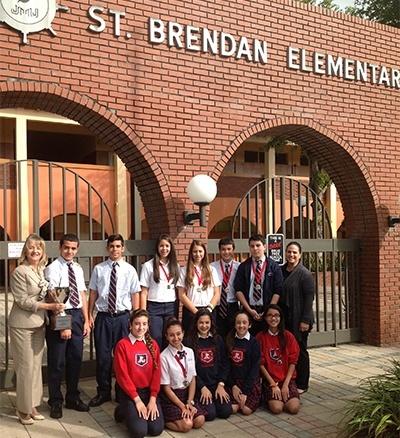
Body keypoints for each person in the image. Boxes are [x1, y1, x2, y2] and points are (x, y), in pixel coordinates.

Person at [9, 233, 65, 425]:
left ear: (43, 252)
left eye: (38, 248)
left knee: (35, 367)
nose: (35, 251)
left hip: (39, 324)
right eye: (31, 247)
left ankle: (32, 405)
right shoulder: (19, 272)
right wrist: (49, 307)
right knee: (25, 368)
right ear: (26, 250)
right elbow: (22, 300)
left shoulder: (40, 270)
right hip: (22, 325)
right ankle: (22, 409)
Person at [88, 233, 141, 407]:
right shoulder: (99, 269)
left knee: (123, 358)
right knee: (103, 357)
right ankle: (103, 392)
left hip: (123, 318)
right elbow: (93, 294)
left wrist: (135, 319)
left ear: (123, 248)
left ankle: (122, 391)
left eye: (118, 246)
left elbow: (135, 295)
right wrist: (89, 314)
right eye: (112, 246)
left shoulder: (130, 270)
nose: (115, 249)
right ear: (107, 248)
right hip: (104, 317)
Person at [45, 233, 90, 419]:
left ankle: (72, 397)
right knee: (57, 362)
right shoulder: (52, 268)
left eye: (73, 248)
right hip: (60, 314)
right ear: (60, 247)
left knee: (75, 359)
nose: (69, 251)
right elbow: (52, 297)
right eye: (66, 247)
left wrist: (86, 319)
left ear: (77, 249)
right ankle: (55, 401)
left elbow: (81, 294)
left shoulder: (77, 269)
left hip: (77, 315)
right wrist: (63, 324)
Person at [113, 309, 164, 438]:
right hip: (131, 394)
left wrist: (152, 399)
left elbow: (157, 374)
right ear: (130, 325)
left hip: (148, 392)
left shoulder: (153, 345)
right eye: (137, 324)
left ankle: (135, 412)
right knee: (139, 432)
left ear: (148, 326)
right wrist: (137, 400)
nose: (141, 327)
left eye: (144, 324)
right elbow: (122, 375)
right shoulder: (122, 345)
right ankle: (122, 410)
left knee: (155, 429)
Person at [159, 317, 206, 432]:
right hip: (172, 397)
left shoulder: (189, 351)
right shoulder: (163, 357)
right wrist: (182, 406)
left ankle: (185, 413)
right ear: (166, 336)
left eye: (178, 334)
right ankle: (165, 420)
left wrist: (189, 402)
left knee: (199, 420)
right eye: (171, 335)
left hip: (187, 394)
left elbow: (192, 379)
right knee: (187, 425)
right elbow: (166, 388)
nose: (176, 338)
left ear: (183, 333)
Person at [279, 241, 315, 393]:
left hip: (299, 319)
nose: (291, 255)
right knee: (286, 350)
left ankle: (302, 383)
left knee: (300, 350)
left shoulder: (304, 274)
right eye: (289, 252)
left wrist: (305, 320)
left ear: (300, 255)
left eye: (294, 252)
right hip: (285, 318)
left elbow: (309, 299)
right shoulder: (280, 270)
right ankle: (289, 379)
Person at [184, 309, 232, 421]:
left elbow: (225, 363)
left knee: (226, 411)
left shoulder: (218, 339)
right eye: (201, 322)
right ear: (196, 323)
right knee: (210, 415)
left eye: (207, 323)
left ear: (211, 323)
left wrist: (221, 384)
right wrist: (202, 387)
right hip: (199, 386)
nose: (204, 326)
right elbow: (190, 369)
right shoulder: (189, 341)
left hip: (215, 384)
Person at [234, 234, 283, 335]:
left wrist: (268, 310)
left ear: (264, 246)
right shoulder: (244, 267)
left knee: (266, 341)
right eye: (252, 246)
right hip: (249, 310)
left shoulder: (274, 266)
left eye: (258, 245)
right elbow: (238, 290)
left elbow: (277, 290)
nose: (255, 249)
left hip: (267, 312)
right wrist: (249, 310)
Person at [256, 304, 300, 414]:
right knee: (277, 408)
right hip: (270, 380)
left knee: (294, 408)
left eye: (276, 315)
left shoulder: (288, 336)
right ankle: (268, 396)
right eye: (270, 315)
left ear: (281, 318)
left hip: (286, 379)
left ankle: (285, 394)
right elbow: (260, 364)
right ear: (265, 318)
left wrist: (285, 385)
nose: (273, 318)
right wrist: (273, 385)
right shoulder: (260, 337)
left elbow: (293, 361)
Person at [139, 234, 180, 349]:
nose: (164, 249)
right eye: (161, 246)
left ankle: (168, 365)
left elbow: (178, 290)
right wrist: (143, 313)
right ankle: (156, 364)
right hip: (154, 307)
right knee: (156, 338)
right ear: (157, 247)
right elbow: (144, 291)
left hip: (171, 306)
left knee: (170, 338)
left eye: (167, 246)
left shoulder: (175, 266)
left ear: (171, 247)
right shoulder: (148, 266)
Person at [177, 240, 221, 333]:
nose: (198, 254)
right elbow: (181, 295)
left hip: (209, 310)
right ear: (191, 253)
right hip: (191, 310)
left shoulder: (212, 270)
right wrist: (196, 312)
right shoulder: (184, 270)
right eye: (195, 251)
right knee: (190, 339)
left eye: (200, 251)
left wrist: (209, 309)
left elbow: (217, 293)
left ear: (204, 252)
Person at [225, 310, 262, 415]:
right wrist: (233, 386)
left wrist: (245, 392)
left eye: (244, 323)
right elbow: (226, 366)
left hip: (249, 382)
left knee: (246, 410)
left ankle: (256, 397)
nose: (241, 326)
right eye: (238, 323)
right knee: (233, 409)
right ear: (234, 324)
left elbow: (255, 369)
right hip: (234, 382)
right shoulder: (228, 340)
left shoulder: (254, 343)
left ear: (249, 325)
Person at [210, 237, 240, 338]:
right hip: (217, 306)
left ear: (233, 250)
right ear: (219, 250)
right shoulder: (212, 267)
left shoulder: (239, 267)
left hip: (233, 305)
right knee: (217, 334)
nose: (226, 252)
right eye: (223, 249)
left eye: (229, 249)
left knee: (233, 334)